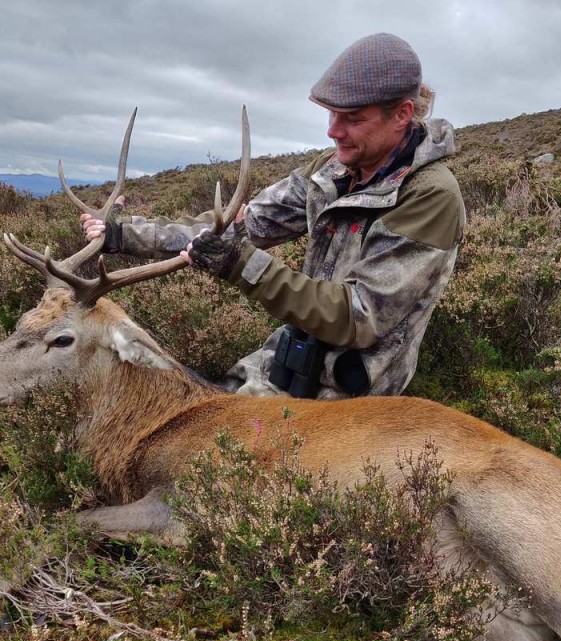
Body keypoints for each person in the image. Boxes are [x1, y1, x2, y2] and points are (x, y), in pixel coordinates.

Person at [82, 32, 465, 400]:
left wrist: (242, 265)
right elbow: (243, 225)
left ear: (401, 114)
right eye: (332, 114)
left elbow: (358, 316)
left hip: (350, 391)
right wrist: (122, 235)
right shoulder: (332, 170)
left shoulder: (430, 197)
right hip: (292, 357)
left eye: (352, 118)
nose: (334, 131)